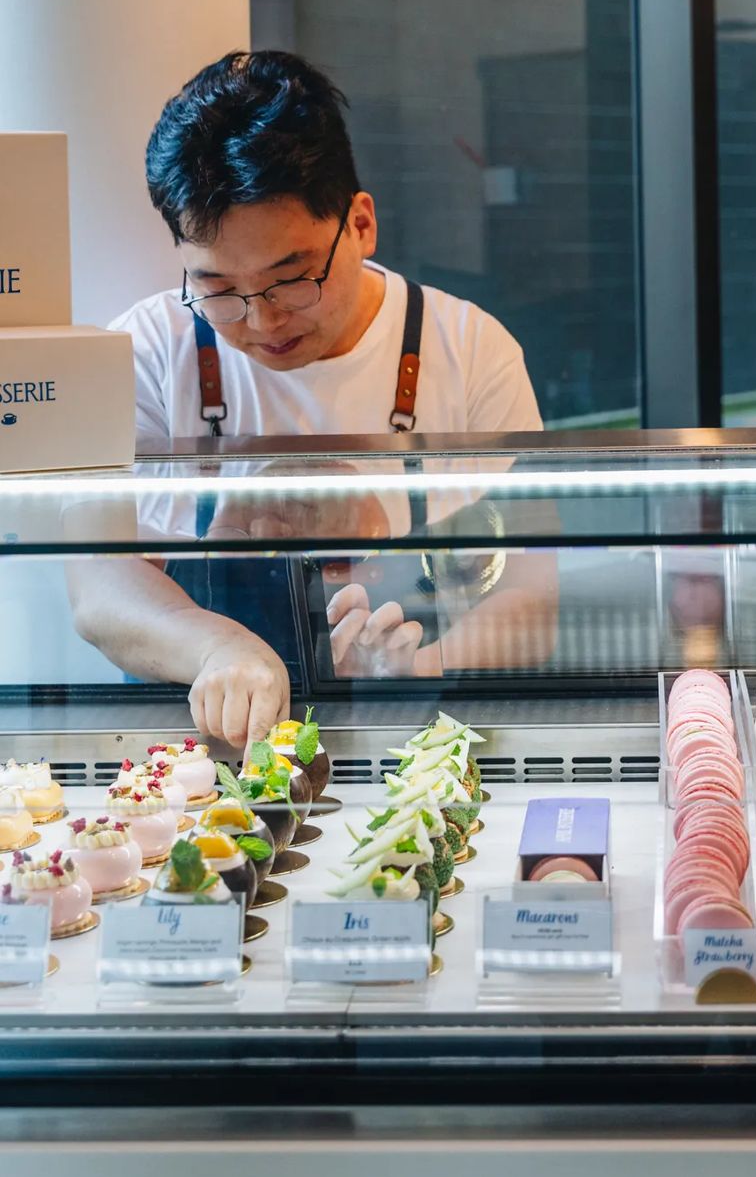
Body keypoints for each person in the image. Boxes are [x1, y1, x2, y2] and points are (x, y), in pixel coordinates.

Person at [68, 51, 556, 746]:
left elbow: (529, 597)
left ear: (360, 224)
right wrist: (215, 648)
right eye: (217, 290)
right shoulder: (144, 353)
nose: (262, 321)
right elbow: (98, 587)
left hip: (416, 749)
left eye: (291, 279)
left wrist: (419, 670)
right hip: (196, 770)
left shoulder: (470, 351)